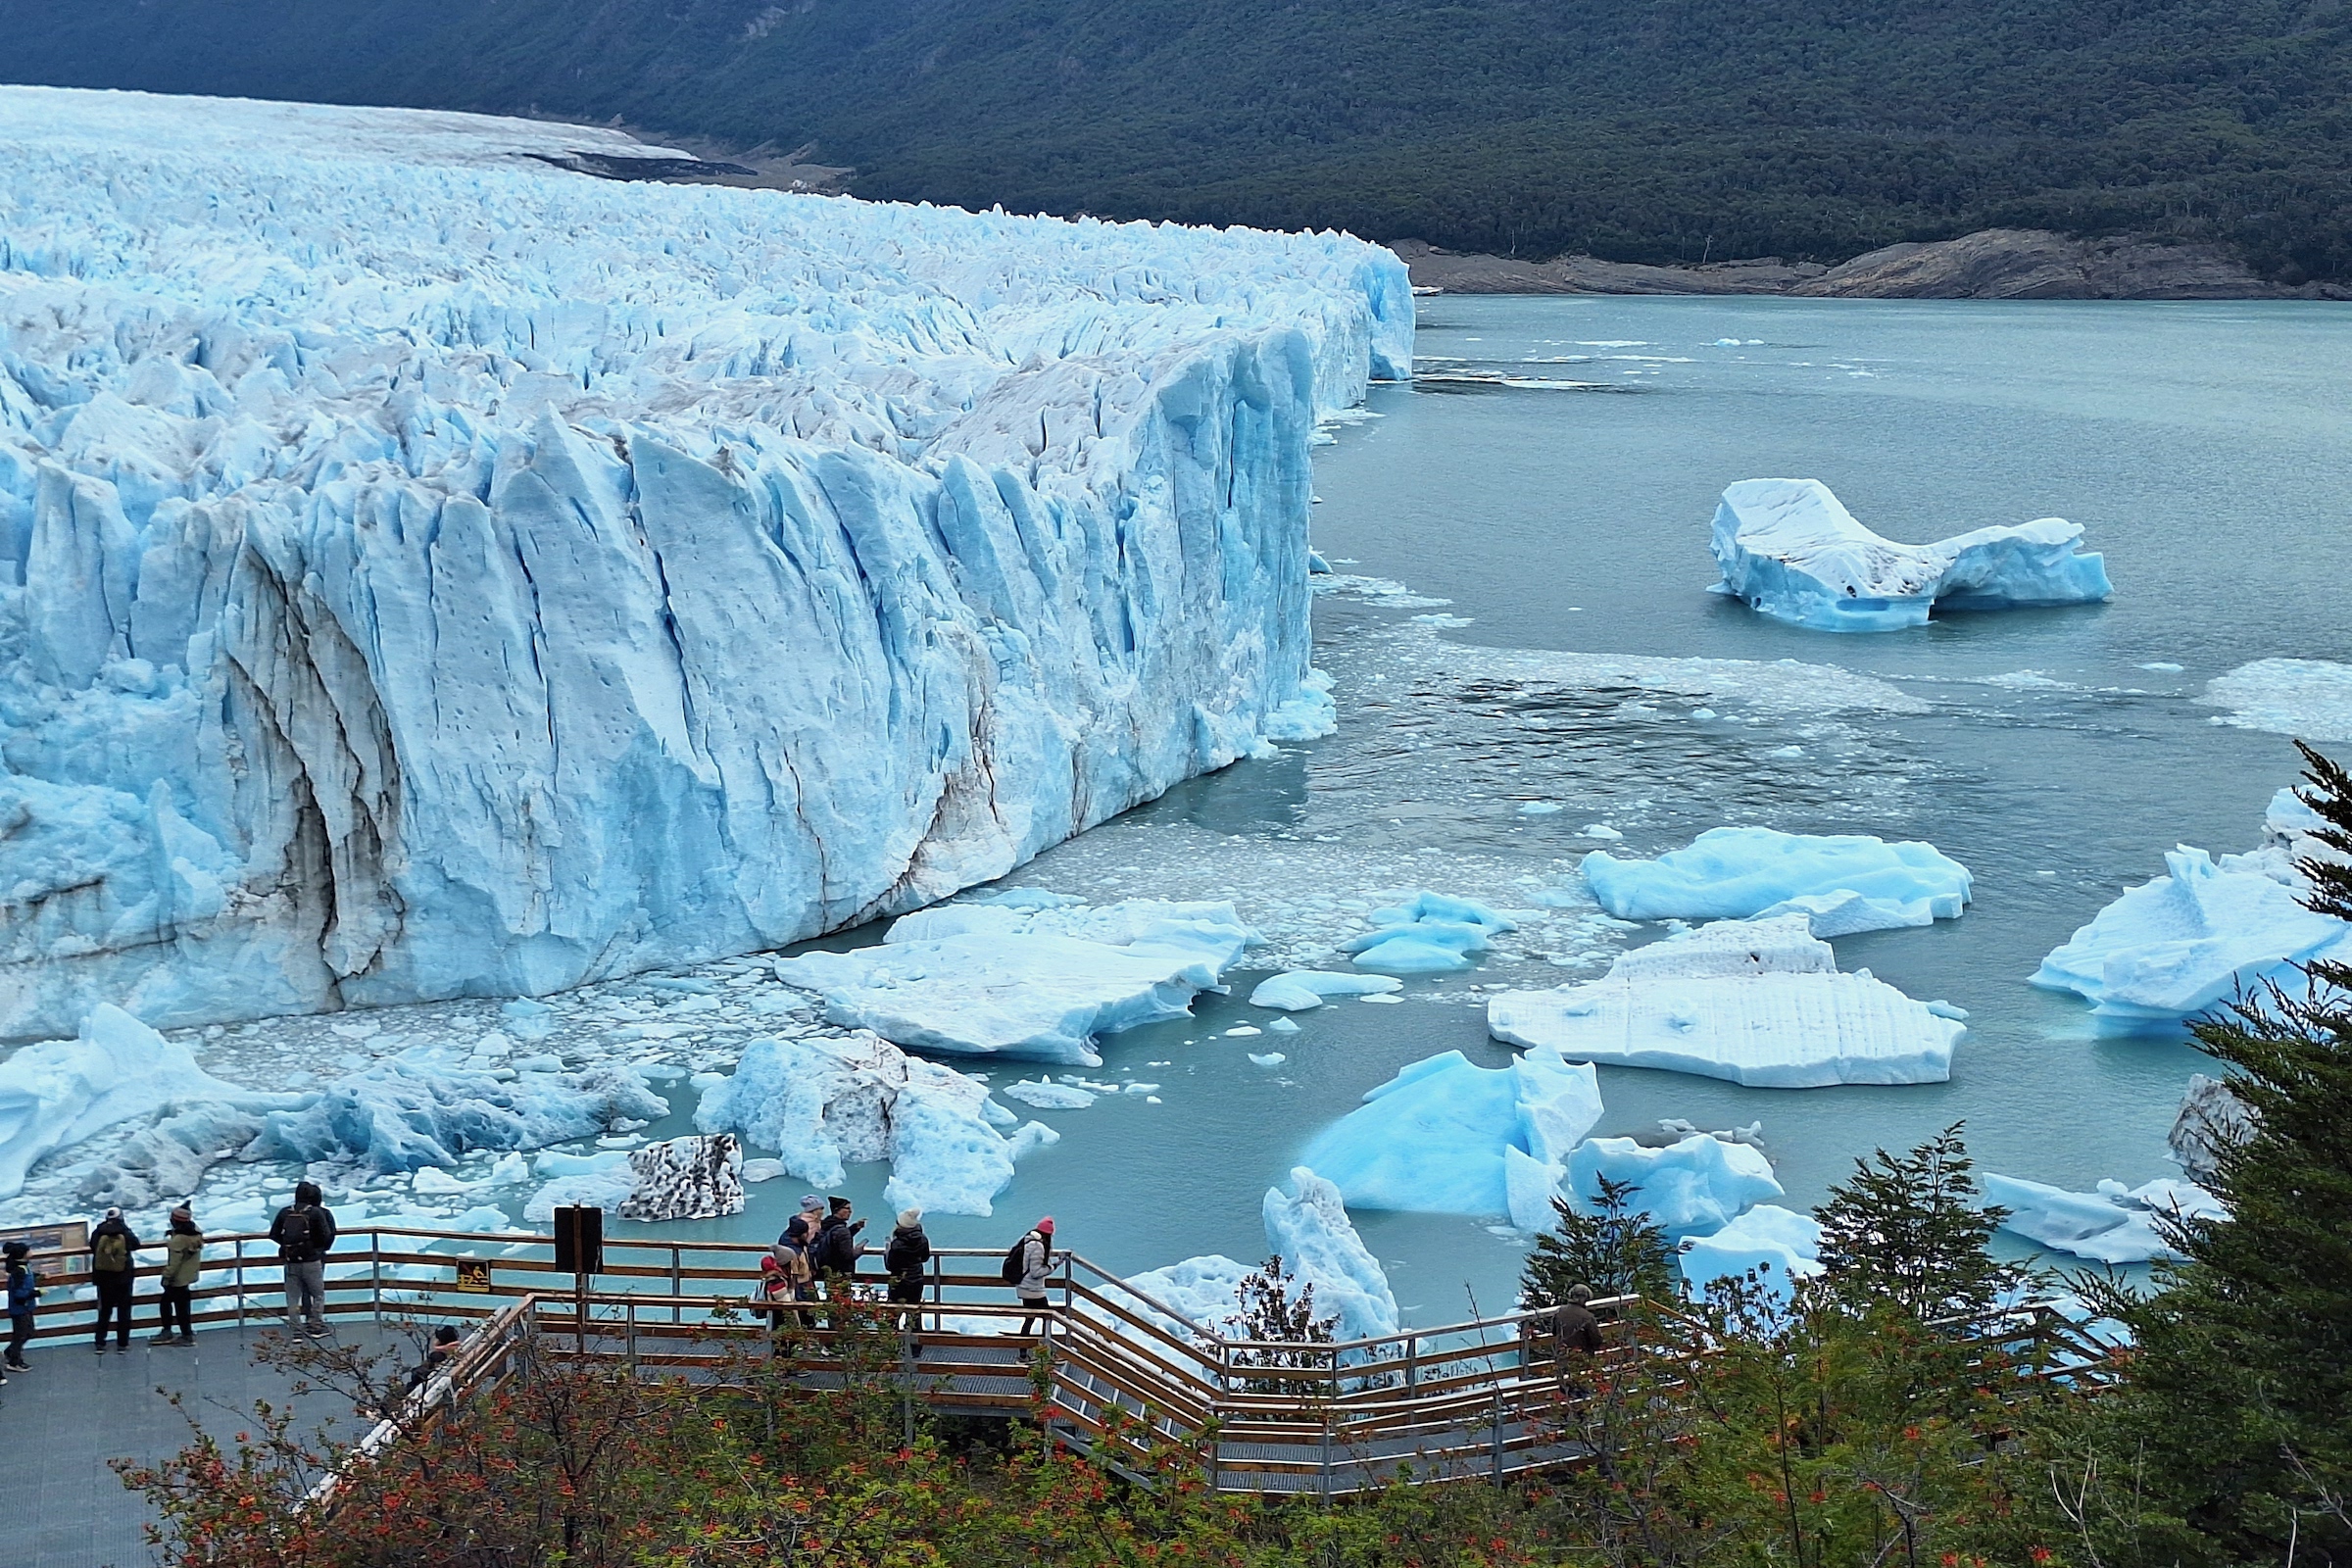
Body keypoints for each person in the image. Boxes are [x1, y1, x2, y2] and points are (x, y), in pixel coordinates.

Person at [270, 1181, 338, 1338]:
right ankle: (315, 1326)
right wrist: (315, 1249)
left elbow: (273, 1234)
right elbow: (327, 1236)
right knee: (317, 1294)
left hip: (291, 1260)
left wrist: (289, 1246)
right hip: (312, 1261)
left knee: (293, 1296)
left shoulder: (285, 1212)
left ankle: (296, 1330)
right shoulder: (318, 1213)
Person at [89, 1207, 140, 1354]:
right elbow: (136, 1244)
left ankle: (100, 1343)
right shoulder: (124, 1232)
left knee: (104, 1310)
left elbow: (92, 1246)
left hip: (103, 1277)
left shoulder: (99, 1232)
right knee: (124, 1310)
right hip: (123, 1277)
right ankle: (122, 1344)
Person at [812, 1197, 865, 1330]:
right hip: (841, 1274)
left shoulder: (827, 1225)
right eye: (847, 1209)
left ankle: (832, 1333)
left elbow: (836, 1240)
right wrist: (859, 1250)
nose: (850, 1211)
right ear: (838, 1210)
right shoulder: (841, 1230)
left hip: (829, 1272)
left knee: (833, 1304)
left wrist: (855, 1228)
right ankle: (840, 1336)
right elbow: (848, 1255)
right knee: (842, 1306)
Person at [152, 1206, 202, 1347]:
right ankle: (187, 1333)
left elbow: (174, 1263)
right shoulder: (195, 1234)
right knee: (182, 1306)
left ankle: (171, 1333)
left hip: (176, 1279)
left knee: (168, 1304)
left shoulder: (178, 1240)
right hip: (187, 1276)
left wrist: (166, 1276)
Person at [883, 1208, 931, 1351]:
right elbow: (925, 1257)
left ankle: (890, 1346)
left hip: (899, 1281)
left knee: (893, 1313)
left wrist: (887, 1251)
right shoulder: (922, 1239)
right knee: (914, 1313)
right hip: (916, 1280)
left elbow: (890, 1265)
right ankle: (915, 1347)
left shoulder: (897, 1244)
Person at [1012, 1216, 1056, 1338]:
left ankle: (1024, 1353)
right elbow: (1035, 1272)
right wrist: (1052, 1267)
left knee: (1030, 1319)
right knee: (1047, 1317)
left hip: (1024, 1287)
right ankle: (1045, 1352)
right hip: (1032, 1289)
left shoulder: (1027, 1241)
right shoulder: (1038, 1246)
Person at [400, 1325, 466, 1399]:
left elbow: (420, 1374)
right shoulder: (451, 1354)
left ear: (440, 1341)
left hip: (420, 1388)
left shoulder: (437, 1356)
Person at [5, 1239, 36, 1371]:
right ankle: (14, 1362)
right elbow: (19, 1292)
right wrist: (36, 1293)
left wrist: (39, 1277)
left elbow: (26, 1281)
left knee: (28, 1332)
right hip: (20, 1308)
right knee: (21, 1334)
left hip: (25, 1307)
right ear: (23, 1254)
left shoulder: (23, 1267)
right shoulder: (19, 1270)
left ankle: (11, 1352)